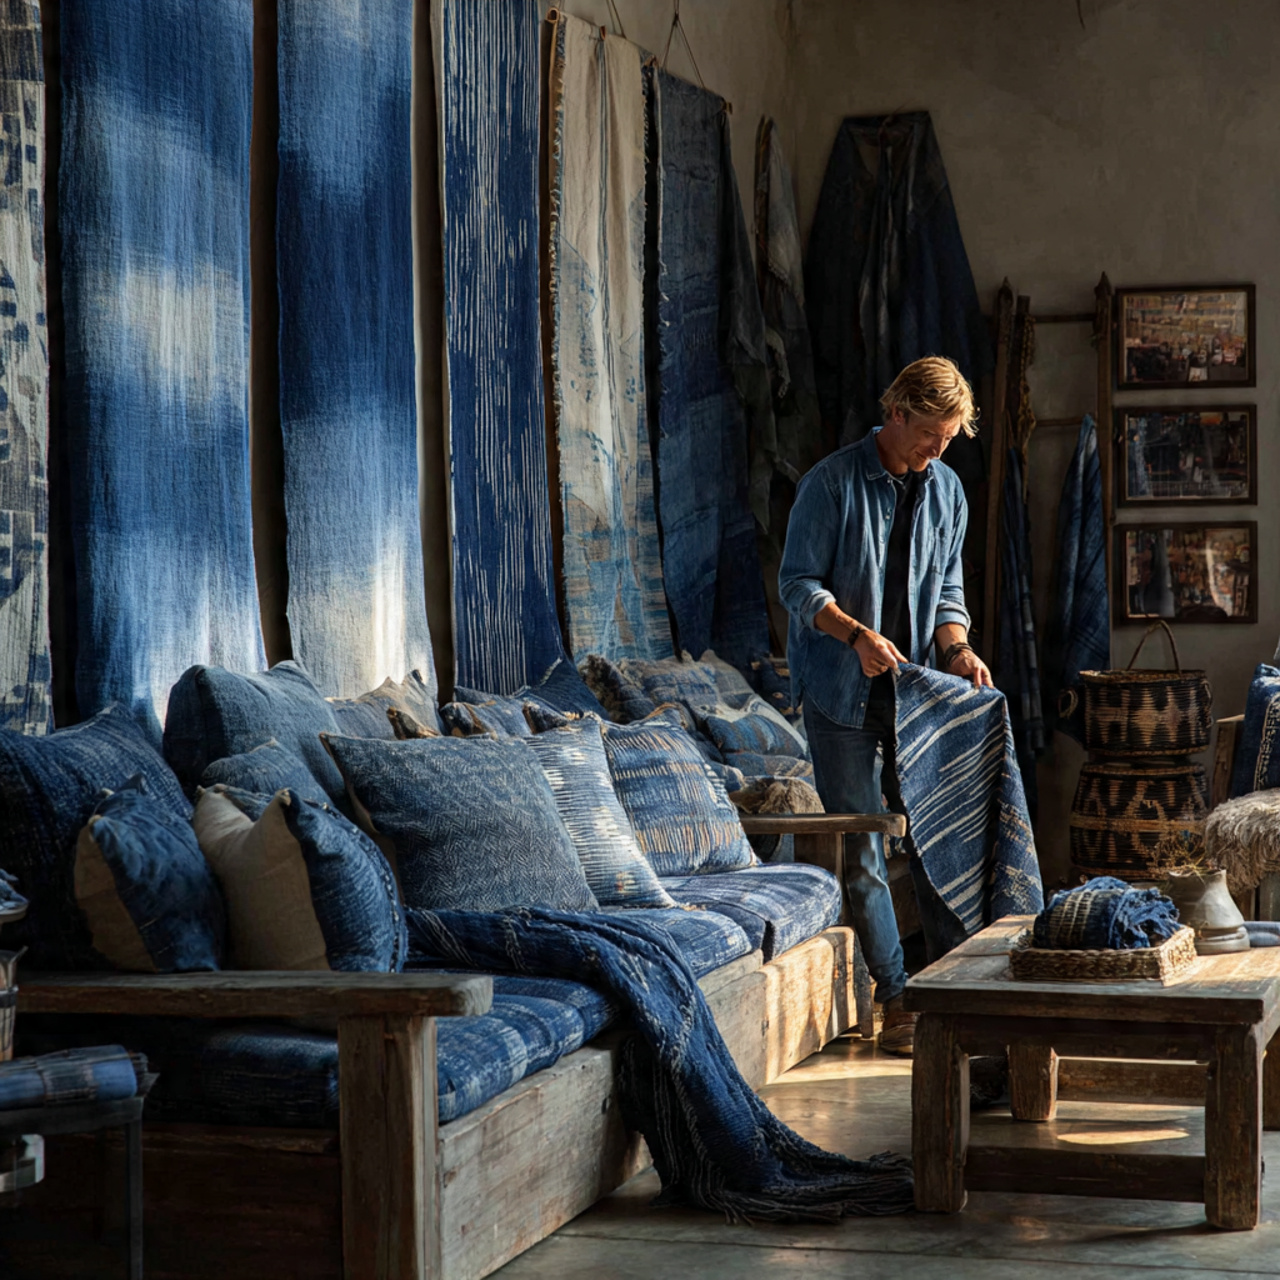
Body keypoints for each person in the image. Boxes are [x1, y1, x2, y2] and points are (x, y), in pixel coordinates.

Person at [778, 356, 991, 1057]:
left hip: (915, 692)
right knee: (866, 848)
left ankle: (954, 989)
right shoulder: (829, 484)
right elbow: (799, 586)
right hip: (840, 693)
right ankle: (896, 998)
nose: (939, 450)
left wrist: (956, 650)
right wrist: (856, 635)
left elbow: (949, 590)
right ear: (896, 413)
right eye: (931, 435)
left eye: (950, 438)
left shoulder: (949, 490)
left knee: (934, 838)